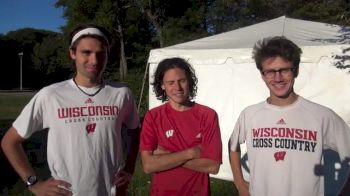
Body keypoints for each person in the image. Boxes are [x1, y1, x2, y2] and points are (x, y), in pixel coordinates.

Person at [1, 24, 140, 196]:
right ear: (72, 53)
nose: (94, 60)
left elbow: (136, 134)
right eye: (86, 52)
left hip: (111, 191)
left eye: (100, 53)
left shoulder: (121, 93)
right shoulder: (51, 95)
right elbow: (10, 142)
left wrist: (130, 169)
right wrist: (33, 183)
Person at [229, 36, 350, 196]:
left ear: (296, 70)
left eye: (284, 70)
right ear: (262, 75)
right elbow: (233, 145)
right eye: (270, 71)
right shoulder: (249, 114)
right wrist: (239, 183)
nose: (278, 78)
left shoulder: (322, 116)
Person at [139, 57, 222, 196]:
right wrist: (190, 153)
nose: (177, 88)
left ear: (189, 81)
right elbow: (148, 166)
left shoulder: (207, 115)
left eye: (182, 81)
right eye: (171, 82)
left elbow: (213, 166)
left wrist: (166, 156)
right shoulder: (153, 116)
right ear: (162, 85)